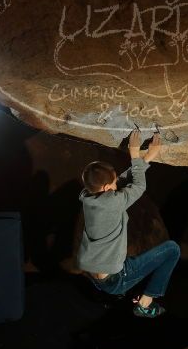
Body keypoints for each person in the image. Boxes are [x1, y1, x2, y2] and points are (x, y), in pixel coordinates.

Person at [76, 128, 180, 318]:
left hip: (94, 273)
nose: (117, 186)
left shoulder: (88, 197)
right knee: (172, 250)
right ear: (107, 188)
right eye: (113, 185)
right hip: (114, 279)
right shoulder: (112, 201)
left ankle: (127, 293)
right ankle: (145, 304)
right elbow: (138, 186)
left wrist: (146, 159)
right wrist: (134, 154)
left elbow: (123, 182)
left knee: (138, 262)